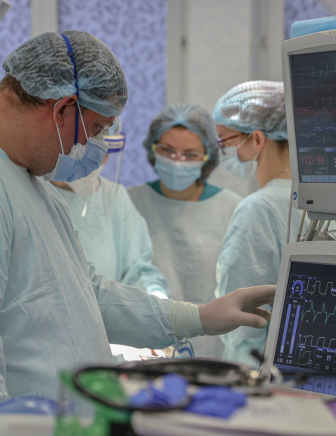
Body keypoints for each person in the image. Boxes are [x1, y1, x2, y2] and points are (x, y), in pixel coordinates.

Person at [0, 31, 275, 436]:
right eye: (97, 129)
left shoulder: (22, 178)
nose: (94, 145)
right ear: (63, 109)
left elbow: (83, 293)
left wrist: (199, 317)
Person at [128, 103, 242, 358]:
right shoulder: (130, 202)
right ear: (153, 149)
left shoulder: (231, 208)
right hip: (147, 345)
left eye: (190, 154)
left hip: (214, 347)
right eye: (167, 150)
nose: (177, 161)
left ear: (207, 157)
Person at [213, 80, 309, 368]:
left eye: (226, 141)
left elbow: (240, 321)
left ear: (257, 139)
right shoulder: (322, 204)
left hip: (257, 372)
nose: (226, 151)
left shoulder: (258, 208)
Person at [49, 120, 170, 298]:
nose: (97, 163)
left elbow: (136, 269)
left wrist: (155, 296)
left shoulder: (114, 197)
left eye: (105, 154)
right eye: (92, 154)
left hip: (102, 315)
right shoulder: (33, 191)